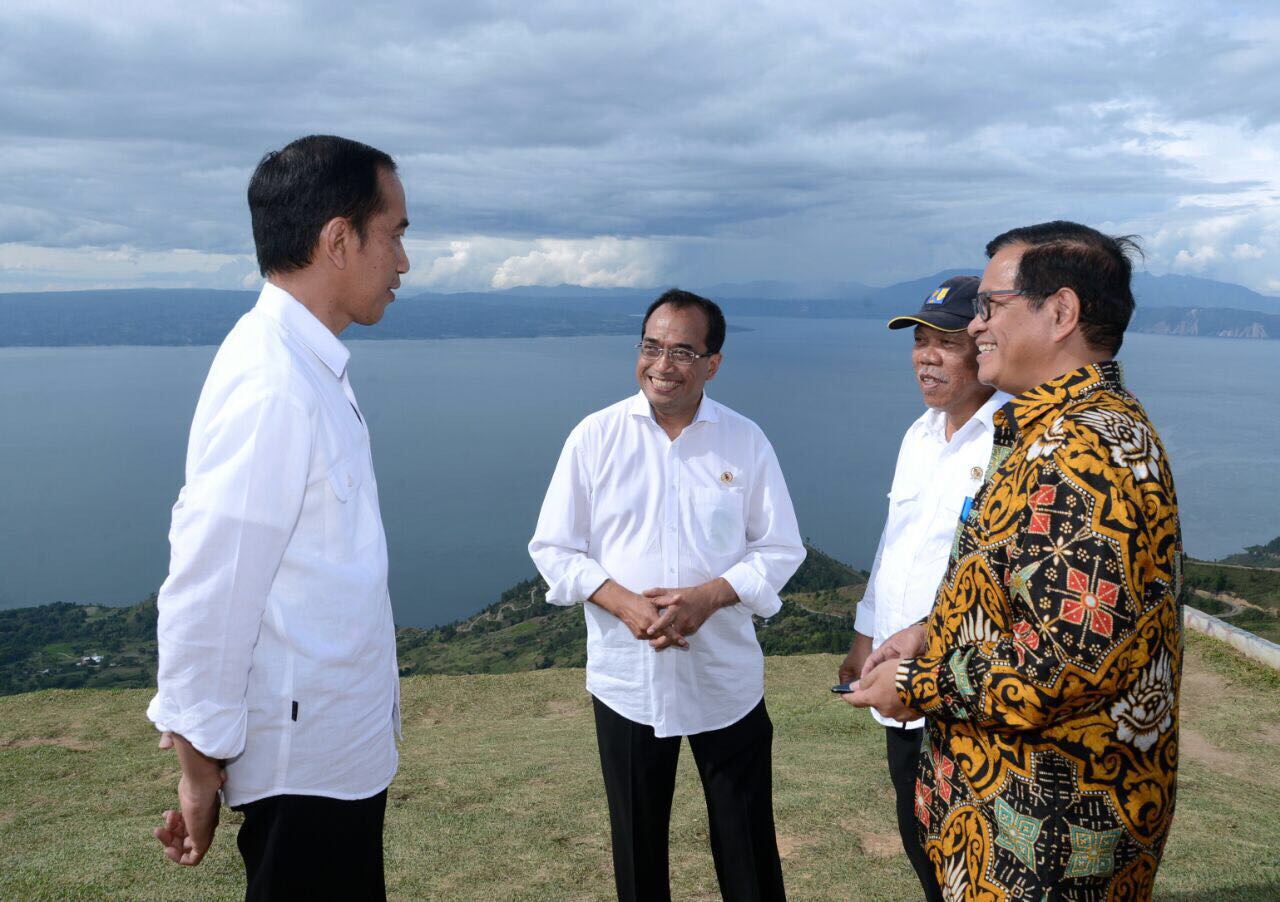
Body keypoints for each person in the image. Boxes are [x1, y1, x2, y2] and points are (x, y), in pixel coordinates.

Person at [849, 222, 1182, 900]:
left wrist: (918, 682)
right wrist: (931, 632)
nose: (976, 326)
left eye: (990, 306)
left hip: (1045, 833)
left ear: (1060, 313)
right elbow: (1023, 593)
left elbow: (1065, 663)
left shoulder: (1084, 454)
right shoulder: (1047, 432)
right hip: (1006, 814)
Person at [147, 134, 410, 899]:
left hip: (333, 754)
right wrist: (198, 770)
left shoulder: (306, 365)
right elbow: (210, 587)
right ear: (339, 240)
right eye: (393, 234)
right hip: (305, 772)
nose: (403, 261)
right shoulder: (275, 385)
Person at [529, 289, 805, 902]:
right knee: (637, 849)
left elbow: (781, 547)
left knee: (748, 847)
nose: (662, 365)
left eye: (683, 351)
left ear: (713, 364)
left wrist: (710, 597)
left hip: (724, 679)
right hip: (627, 681)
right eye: (651, 347)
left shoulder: (745, 440)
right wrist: (623, 602)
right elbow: (554, 548)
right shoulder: (595, 436)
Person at [838, 275, 1009, 902]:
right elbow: (895, 543)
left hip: (964, 682)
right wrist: (865, 636)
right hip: (898, 678)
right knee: (920, 837)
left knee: (975, 848)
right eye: (918, 341)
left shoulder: (1012, 439)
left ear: (983, 346)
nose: (925, 357)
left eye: (946, 342)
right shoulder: (919, 434)